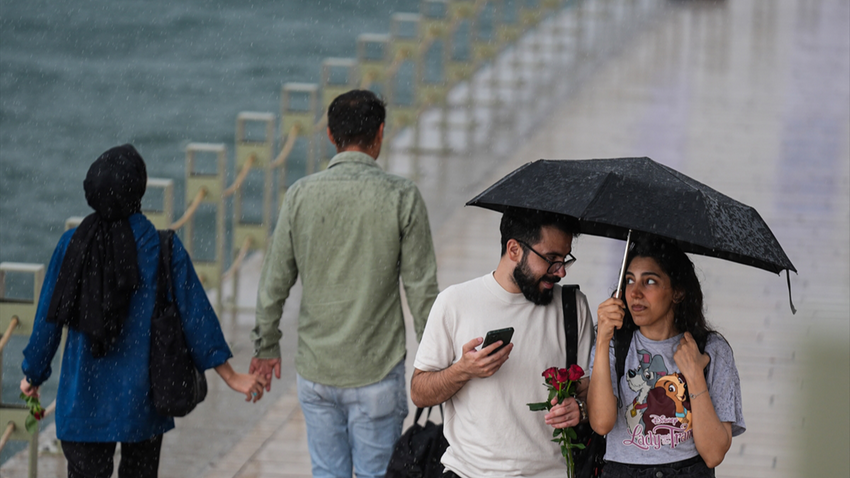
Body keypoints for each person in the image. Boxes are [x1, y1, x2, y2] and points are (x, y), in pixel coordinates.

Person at [19, 144, 267, 478]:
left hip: (83, 403)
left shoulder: (72, 244)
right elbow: (197, 317)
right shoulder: (162, 246)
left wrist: (33, 374)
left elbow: (48, 322)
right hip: (143, 401)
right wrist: (232, 376)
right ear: (140, 189)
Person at [250, 89, 440, 477]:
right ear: (381, 133)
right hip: (377, 371)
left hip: (317, 371)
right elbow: (422, 291)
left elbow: (273, 284)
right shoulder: (402, 197)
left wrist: (266, 347)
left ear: (330, 135)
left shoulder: (300, 195)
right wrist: (437, 364)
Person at [410, 209, 595, 477]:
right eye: (551, 259)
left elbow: (589, 391)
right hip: (469, 472)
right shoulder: (455, 302)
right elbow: (419, 392)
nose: (561, 271)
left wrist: (579, 408)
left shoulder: (572, 306)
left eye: (565, 259)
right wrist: (463, 370)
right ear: (514, 250)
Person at [587, 235, 745, 477]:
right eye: (629, 281)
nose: (635, 293)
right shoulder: (613, 344)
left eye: (649, 281)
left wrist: (694, 376)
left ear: (677, 292)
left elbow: (713, 454)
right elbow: (601, 423)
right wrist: (602, 341)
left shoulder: (711, 349)